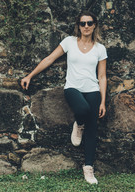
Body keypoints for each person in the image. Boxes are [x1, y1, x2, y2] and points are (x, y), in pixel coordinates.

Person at [20, 11, 107, 185]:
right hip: (73, 88)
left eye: (90, 23)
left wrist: (103, 100)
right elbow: (50, 58)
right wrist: (30, 76)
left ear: (94, 25)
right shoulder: (69, 42)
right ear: (78, 26)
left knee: (92, 129)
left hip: (93, 90)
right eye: (83, 23)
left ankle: (88, 168)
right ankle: (78, 123)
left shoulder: (100, 48)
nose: (86, 26)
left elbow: (102, 76)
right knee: (82, 110)